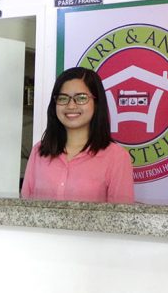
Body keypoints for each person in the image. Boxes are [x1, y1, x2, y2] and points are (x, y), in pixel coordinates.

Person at [21, 67, 134, 203]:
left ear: (97, 103)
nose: (71, 105)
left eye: (81, 98)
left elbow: (121, 219)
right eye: (63, 98)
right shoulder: (39, 151)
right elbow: (25, 208)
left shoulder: (117, 157)